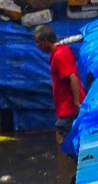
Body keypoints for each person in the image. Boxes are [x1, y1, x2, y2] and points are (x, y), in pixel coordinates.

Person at [36, 23, 84, 182]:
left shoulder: (59, 55)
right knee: (71, 136)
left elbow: (72, 78)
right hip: (67, 105)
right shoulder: (60, 51)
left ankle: (65, 175)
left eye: (38, 42)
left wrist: (76, 103)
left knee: (61, 139)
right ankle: (73, 170)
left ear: (45, 40)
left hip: (68, 106)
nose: (37, 46)